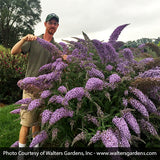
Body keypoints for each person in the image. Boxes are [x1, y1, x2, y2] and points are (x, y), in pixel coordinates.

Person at [11, 13, 65, 148]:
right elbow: (13, 52)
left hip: (44, 90)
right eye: (50, 22)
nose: (52, 25)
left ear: (57, 26)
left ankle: (36, 149)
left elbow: (60, 65)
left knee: (37, 123)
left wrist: (66, 58)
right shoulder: (34, 40)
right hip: (29, 88)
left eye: (55, 23)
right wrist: (23, 39)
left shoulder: (55, 47)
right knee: (26, 123)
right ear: (45, 24)